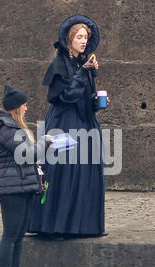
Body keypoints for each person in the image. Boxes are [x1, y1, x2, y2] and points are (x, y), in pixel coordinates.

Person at [28, 15, 109, 238]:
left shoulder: (83, 64)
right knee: (64, 170)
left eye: (86, 37)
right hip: (65, 123)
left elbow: (84, 96)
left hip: (85, 122)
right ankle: (56, 226)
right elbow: (64, 96)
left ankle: (84, 225)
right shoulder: (60, 64)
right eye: (79, 37)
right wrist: (84, 72)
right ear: (69, 39)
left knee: (86, 170)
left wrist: (97, 102)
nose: (83, 41)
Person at [0, 84, 53, 267]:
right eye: (24, 105)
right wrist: (44, 142)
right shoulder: (7, 129)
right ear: (15, 108)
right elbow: (28, 155)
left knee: (19, 234)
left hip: (22, 186)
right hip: (11, 188)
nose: (26, 108)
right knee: (10, 234)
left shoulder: (15, 127)